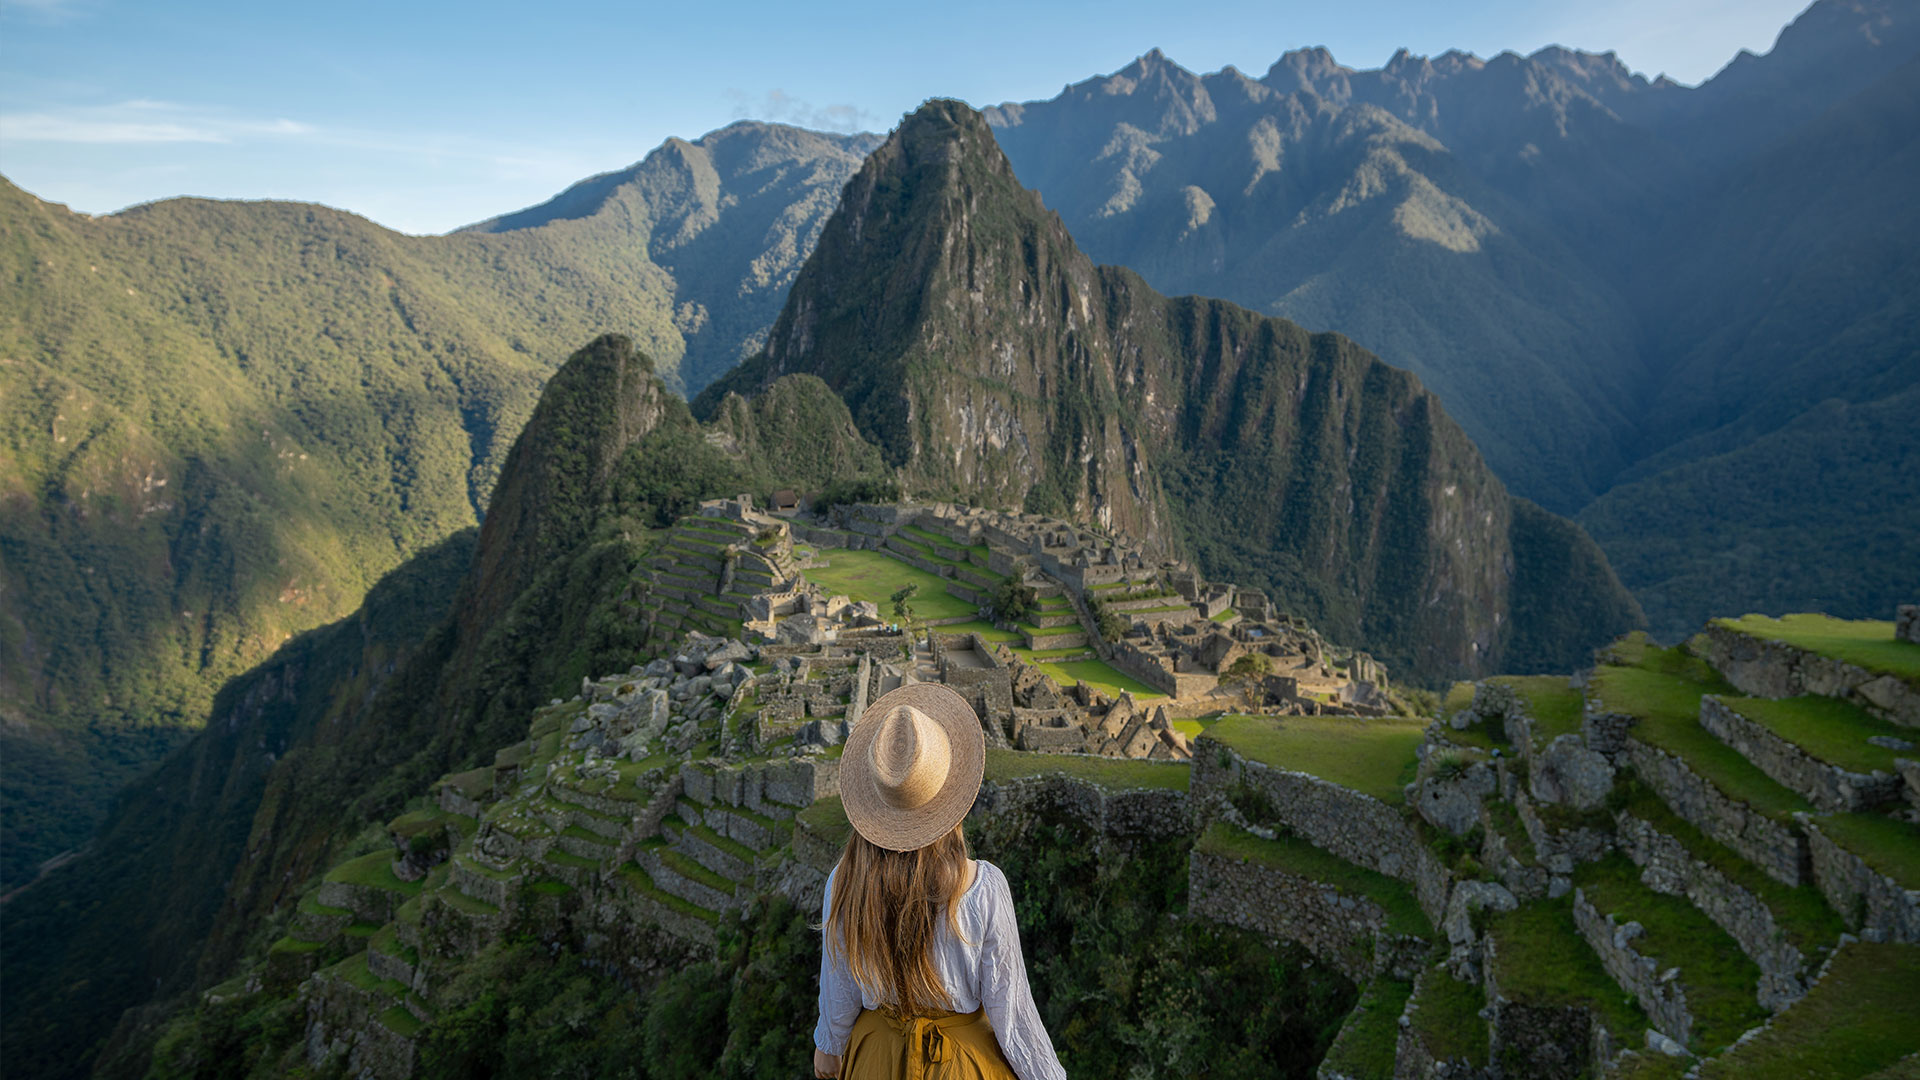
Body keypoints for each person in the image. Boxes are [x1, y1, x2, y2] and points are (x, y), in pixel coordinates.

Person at [812, 683, 1066, 1080]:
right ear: (950, 800)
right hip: (958, 1064)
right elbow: (1011, 1012)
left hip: (875, 1056)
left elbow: (838, 985)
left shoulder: (845, 881)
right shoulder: (982, 888)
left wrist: (829, 1047)